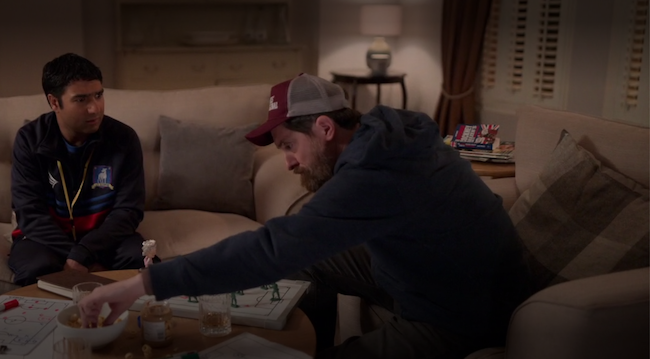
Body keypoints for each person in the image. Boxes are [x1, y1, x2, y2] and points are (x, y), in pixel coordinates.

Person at [79, 73, 532, 358]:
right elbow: (293, 247)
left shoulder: (375, 173)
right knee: (308, 260)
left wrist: (143, 284)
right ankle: (302, 338)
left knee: (289, 255)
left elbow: (272, 248)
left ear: (325, 127)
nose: (289, 163)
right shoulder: (380, 136)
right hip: (421, 271)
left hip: (458, 309)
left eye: (287, 147)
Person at [9, 53, 150, 285]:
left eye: (98, 95)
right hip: (46, 240)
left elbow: (128, 211)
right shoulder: (30, 140)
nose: (94, 108)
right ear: (55, 102)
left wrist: (84, 252)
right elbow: (30, 213)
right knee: (37, 268)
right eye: (81, 100)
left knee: (140, 261)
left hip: (104, 237)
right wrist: (76, 255)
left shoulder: (124, 138)